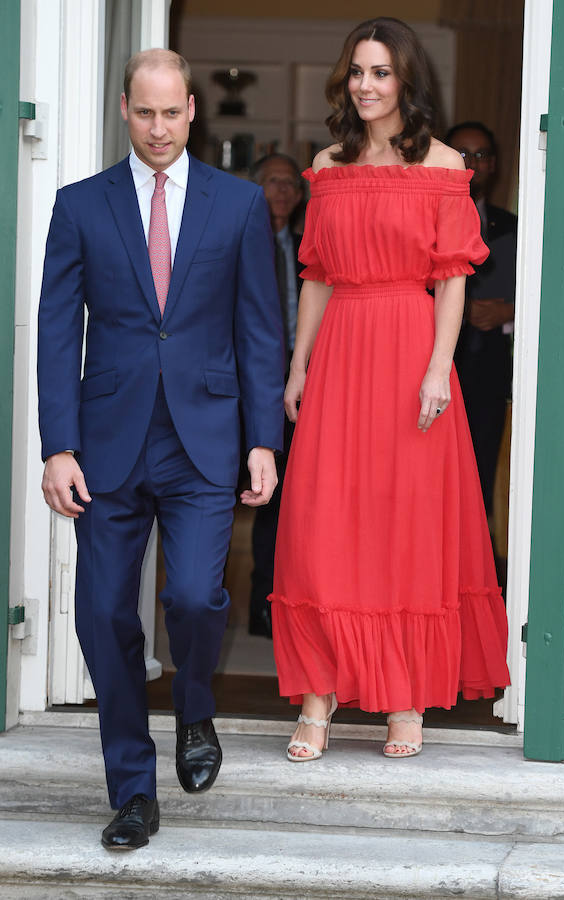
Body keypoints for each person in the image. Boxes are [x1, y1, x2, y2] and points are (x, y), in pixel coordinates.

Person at [38, 49, 284, 849]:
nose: (158, 128)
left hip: (204, 440)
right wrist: (58, 445)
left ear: (191, 112)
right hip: (106, 444)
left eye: (171, 112)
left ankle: (196, 710)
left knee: (192, 600)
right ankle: (133, 790)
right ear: (123, 110)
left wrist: (261, 441)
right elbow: (54, 334)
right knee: (106, 612)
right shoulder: (80, 205)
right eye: (144, 113)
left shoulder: (240, 205)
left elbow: (259, 332)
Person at [268, 17, 510, 762]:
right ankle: (319, 693)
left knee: (403, 524)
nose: (366, 86)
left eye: (381, 73)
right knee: (324, 523)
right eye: (357, 72)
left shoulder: (443, 166)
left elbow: (452, 282)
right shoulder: (327, 164)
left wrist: (439, 367)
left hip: (410, 349)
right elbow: (315, 275)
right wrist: (299, 366)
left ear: (407, 81)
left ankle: (404, 692)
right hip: (341, 352)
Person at [446, 121, 517, 520]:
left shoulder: (514, 227)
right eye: (461, 154)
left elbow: (544, 297)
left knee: (482, 471)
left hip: (492, 370)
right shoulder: (422, 220)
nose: (471, 164)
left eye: (480, 155)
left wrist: (508, 313)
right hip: (431, 366)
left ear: (494, 165)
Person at [248, 153, 304, 638]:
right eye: (272, 182)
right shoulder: (241, 240)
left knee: (296, 499)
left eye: (289, 183)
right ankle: (259, 602)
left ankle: (289, 603)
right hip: (251, 387)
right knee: (260, 494)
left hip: (305, 385)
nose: (282, 191)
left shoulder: (308, 246)